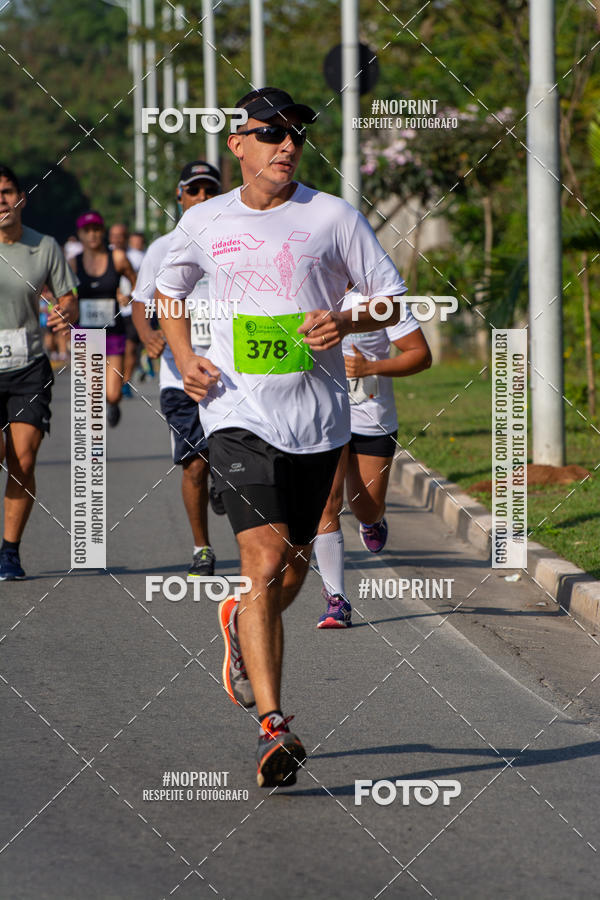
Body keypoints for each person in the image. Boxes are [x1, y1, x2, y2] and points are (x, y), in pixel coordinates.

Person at [155, 87, 407, 788]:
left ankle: (239, 620)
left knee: (292, 566)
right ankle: (275, 726)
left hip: (320, 423)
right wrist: (182, 357)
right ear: (239, 144)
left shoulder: (331, 216)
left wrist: (348, 322)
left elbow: (389, 295)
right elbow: (166, 297)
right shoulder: (206, 221)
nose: (286, 143)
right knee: (264, 560)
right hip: (238, 416)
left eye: (294, 132)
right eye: (269, 132)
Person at [314, 290, 432, 628]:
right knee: (327, 504)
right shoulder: (308, 288)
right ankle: (337, 601)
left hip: (371, 417)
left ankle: (372, 519)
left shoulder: (378, 298)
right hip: (322, 417)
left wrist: (371, 367)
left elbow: (421, 356)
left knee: (364, 505)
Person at [132, 161, 221, 578]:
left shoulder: (235, 243)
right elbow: (139, 302)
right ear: (180, 196)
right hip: (178, 374)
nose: (202, 198)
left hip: (230, 373)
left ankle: (226, 481)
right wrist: (149, 333)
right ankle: (202, 547)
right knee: (195, 464)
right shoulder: (161, 248)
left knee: (234, 459)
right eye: (194, 191)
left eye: (209, 191)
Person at [0, 164, 78, 580]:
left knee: (23, 460)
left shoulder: (43, 246)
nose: (1, 200)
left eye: (7, 191)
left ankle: (9, 551)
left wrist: (63, 315)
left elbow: (68, 299)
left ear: (21, 198)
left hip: (28, 366)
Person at [69, 211, 137, 427]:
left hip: (112, 333)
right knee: (93, 392)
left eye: (96, 230)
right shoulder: (73, 263)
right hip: (84, 333)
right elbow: (62, 293)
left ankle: (114, 404)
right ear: (80, 234)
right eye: (87, 231)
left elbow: (139, 284)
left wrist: (129, 296)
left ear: (103, 232)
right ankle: (93, 447)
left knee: (113, 392)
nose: (92, 235)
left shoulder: (117, 258)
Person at [108, 222, 145, 396]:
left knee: (130, 348)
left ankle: (125, 382)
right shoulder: (104, 255)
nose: (117, 239)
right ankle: (111, 381)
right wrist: (116, 294)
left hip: (131, 310)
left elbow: (141, 282)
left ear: (126, 237)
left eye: (120, 236)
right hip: (109, 309)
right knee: (112, 349)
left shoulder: (138, 257)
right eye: (113, 236)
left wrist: (131, 296)